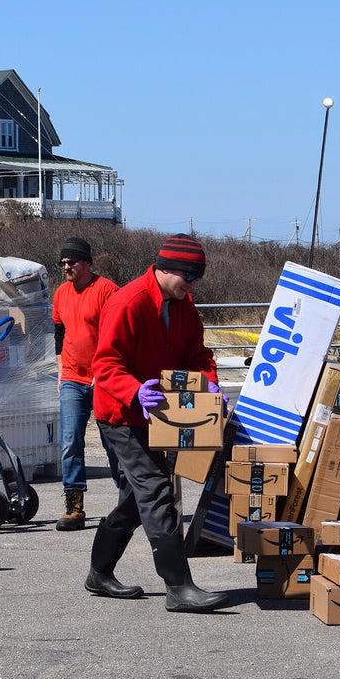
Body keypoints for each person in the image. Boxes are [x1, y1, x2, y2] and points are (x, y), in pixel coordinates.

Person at [84, 233, 230, 613]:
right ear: (167, 269)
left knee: (136, 500)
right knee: (156, 491)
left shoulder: (184, 305)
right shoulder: (128, 302)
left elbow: (197, 353)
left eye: (196, 279)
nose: (193, 285)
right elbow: (105, 363)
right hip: (120, 412)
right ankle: (178, 586)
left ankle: (99, 573)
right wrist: (134, 392)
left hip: (157, 414)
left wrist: (208, 382)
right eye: (190, 277)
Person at [52, 236, 120, 531]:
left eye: (72, 262)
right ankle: (74, 507)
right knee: (70, 442)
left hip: (104, 380)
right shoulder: (60, 294)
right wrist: (60, 372)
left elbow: (117, 335)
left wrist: (106, 372)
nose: (66, 266)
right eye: (63, 263)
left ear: (87, 263)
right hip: (71, 378)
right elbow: (58, 335)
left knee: (114, 443)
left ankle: (128, 502)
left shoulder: (107, 290)